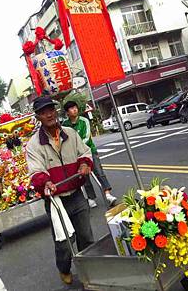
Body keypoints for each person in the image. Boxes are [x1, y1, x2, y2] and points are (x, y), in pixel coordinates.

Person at [26, 96, 94, 285]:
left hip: (76, 194)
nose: (48, 114)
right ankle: (64, 268)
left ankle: (89, 270)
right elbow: (36, 172)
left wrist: (84, 164)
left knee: (86, 236)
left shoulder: (70, 133)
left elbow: (85, 152)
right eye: (43, 112)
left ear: (55, 112)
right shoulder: (33, 144)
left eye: (51, 110)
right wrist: (45, 182)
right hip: (55, 201)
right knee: (64, 242)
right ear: (38, 116)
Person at [62, 101, 117, 207]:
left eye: (75, 107)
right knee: (85, 176)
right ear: (67, 112)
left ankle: (108, 194)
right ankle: (91, 198)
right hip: (76, 155)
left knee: (99, 172)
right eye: (71, 108)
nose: (74, 110)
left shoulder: (84, 121)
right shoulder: (65, 125)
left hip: (89, 151)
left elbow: (87, 136)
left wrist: (77, 147)